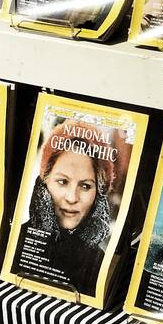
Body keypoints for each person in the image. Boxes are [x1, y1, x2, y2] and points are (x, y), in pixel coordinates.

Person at [21, 120, 115, 294]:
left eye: (85, 186)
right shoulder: (17, 242)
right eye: (62, 182)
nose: (72, 198)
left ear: (98, 196)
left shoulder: (101, 264)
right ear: (44, 183)